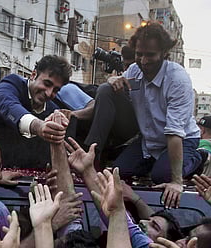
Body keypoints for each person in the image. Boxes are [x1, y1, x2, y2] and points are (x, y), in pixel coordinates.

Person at [85, 22, 202, 208]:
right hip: (148, 140)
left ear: (164, 53)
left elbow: (174, 133)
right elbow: (110, 92)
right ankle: (94, 154)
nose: (144, 61)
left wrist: (177, 181)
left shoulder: (177, 80)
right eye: (139, 54)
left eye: (150, 55)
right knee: (117, 172)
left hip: (180, 139)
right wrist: (113, 80)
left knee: (162, 176)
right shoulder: (134, 70)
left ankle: (198, 157)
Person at [0, 54, 72, 144]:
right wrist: (38, 126)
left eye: (56, 90)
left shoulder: (52, 110)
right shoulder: (13, 84)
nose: (48, 93)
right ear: (33, 75)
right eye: (47, 84)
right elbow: (7, 104)